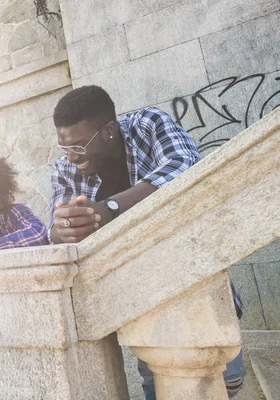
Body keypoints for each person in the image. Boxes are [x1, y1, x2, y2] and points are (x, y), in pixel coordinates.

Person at [49, 86, 245, 399]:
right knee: (156, 383)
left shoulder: (148, 125)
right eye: (65, 148)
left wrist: (109, 209)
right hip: (137, 296)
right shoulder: (66, 168)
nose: (73, 158)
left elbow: (186, 166)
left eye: (79, 148)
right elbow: (54, 231)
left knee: (228, 378)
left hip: (189, 273)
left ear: (109, 130)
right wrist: (66, 226)